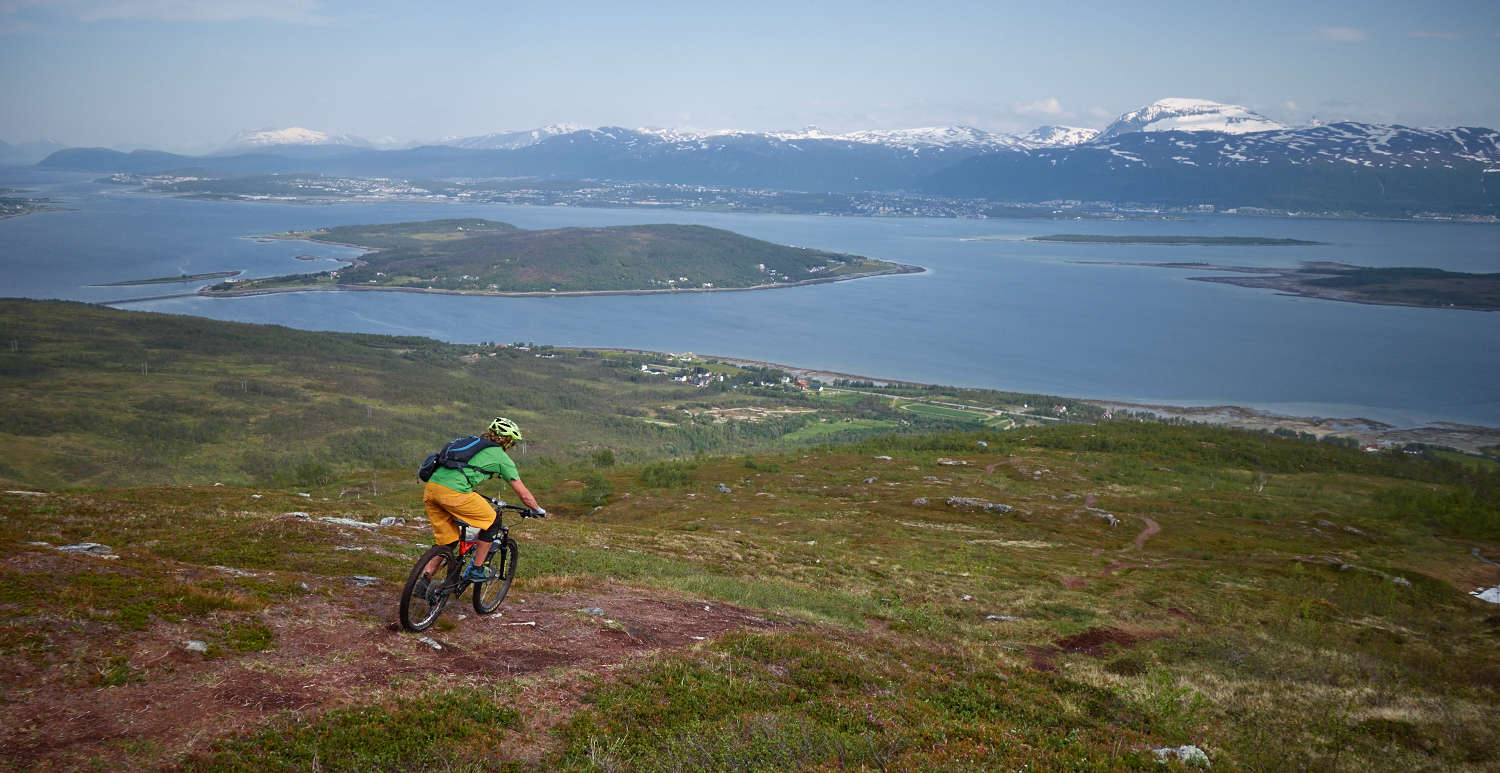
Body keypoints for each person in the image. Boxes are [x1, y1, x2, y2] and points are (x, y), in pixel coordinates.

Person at [419, 417, 544, 589]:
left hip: (431, 490)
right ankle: (477, 569)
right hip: (454, 493)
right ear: (507, 442)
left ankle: (423, 581)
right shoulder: (500, 456)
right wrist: (537, 509)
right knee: (493, 522)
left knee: (447, 541)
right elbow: (523, 495)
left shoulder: (469, 442)